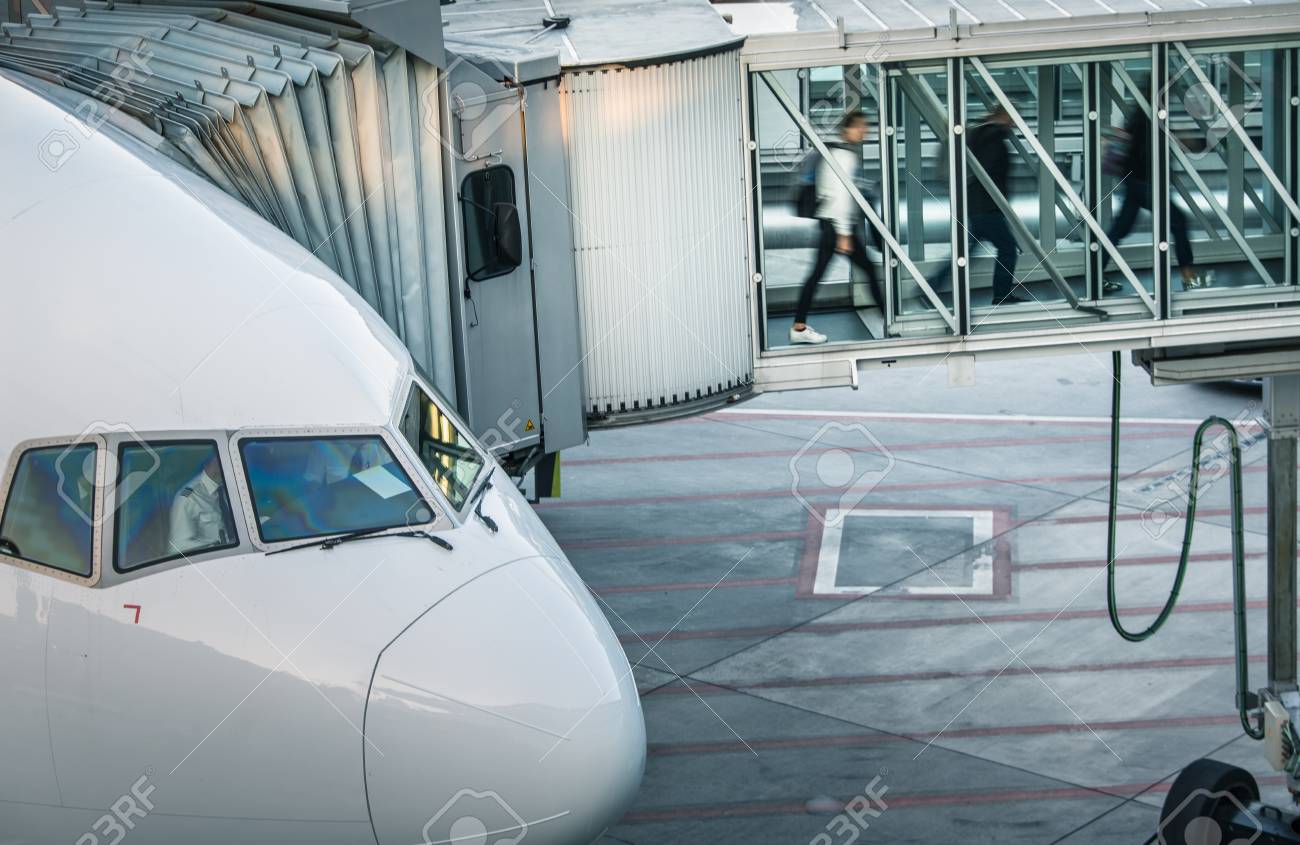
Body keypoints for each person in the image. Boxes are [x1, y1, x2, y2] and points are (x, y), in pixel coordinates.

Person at [791, 109, 884, 345]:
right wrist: (844, 233)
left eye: (865, 126)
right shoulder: (844, 156)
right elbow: (840, 196)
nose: (865, 130)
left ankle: (799, 325)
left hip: (830, 223)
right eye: (860, 126)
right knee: (867, 270)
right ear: (847, 129)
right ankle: (889, 321)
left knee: (818, 274)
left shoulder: (833, 152)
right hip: (837, 226)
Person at [930, 106, 1026, 306]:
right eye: (1013, 117)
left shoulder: (982, 132)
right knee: (1007, 248)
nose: (1015, 122)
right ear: (1005, 115)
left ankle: (932, 285)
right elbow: (987, 173)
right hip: (986, 206)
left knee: (966, 252)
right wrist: (999, 200)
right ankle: (1001, 295)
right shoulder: (992, 136)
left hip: (978, 204)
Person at [1102, 103, 1203, 292]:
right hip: (1146, 184)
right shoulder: (1152, 114)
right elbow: (1150, 146)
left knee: (1120, 229)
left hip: (1134, 182)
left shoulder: (1140, 112)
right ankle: (1188, 276)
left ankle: (1096, 273)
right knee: (1178, 222)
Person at [169, 453, 233, 554]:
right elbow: (179, 546)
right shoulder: (188, 497)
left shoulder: (228, 488)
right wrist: (214, 545)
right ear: (208, 462)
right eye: (219, 459)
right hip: (212, 559)